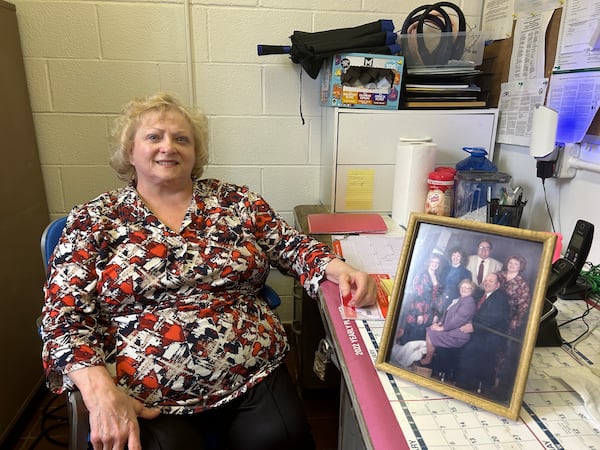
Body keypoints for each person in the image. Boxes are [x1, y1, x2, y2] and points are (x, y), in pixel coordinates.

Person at [40, 92, 377, 450]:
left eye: (181, 139)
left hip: (250, 371)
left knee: (282, 437)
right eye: (154, 137)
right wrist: (99, 393)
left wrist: (338, 269)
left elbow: (290, 245)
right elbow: (62, 317)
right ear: (129, 152)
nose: (168, 146)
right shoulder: (94, 219)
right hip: (145, 392)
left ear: (195, 154)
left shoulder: (235, 202)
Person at [455, 273, 510, 397]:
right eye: (486, 280)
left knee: (470, 349)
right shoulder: (482, 294)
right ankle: (465, 382)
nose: (487, 282)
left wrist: (473, 326)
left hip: (492, 336)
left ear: (497, 285)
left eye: (491, 281)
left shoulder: (500, 298)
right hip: (481, 332)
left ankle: (470, 385)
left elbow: (493, 319)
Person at [495, 254, 531, 399]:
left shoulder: (522, 283)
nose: (512, 266)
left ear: (520, 267)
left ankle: (497, 383)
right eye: (511, 263)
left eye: (516, 264)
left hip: (508, 320)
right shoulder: (498, 275)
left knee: (502, 350)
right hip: (491, 317)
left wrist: (516, 319)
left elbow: (524, 305)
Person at [419, 279, 477, 366]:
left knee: (431, 332)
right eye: (462, 287)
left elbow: (458, 319)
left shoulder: (468, 302)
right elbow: (448, 314)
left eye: (467, 288)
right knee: (431, 329)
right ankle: (429, 358)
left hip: (458, 336)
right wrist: (439, 323)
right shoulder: (461, 299)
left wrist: (442, 328)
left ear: (472, 291)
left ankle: (428, 359)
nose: (464, 289)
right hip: (452, 331)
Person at [396, 253, 444, 345]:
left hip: (430, 312)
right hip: (419, 310)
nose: (434, 264)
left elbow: (439, 298)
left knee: (421, 338)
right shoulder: (421, 275)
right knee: (411, 337)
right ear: (428, 262)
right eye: (432, 261)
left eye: (437, 262)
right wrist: (419, 314)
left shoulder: (438, 277)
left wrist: (436, 314)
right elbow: (417, 295)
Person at [440, 247, 472, 312]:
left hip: (454, 302)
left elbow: (465, 291)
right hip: (440, 299)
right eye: (453, 255)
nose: (455, 258)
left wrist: (456, 302)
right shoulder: (445, 268)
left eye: (458, 256)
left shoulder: (466, 273)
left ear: (462, 258)